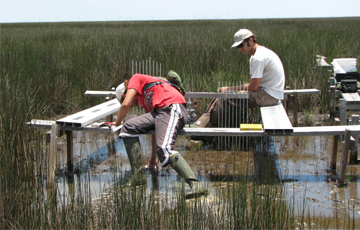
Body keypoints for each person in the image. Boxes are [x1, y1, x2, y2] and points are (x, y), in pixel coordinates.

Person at [112, 72, 209, 198]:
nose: (130, 106)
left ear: (125, 95)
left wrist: (117, 122)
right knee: (128, 127)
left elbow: (125, 104)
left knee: (164, 149)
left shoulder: (135, 79)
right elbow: (156, 129)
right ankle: (137, 177)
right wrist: (153, 158)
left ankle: (196, 185)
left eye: (126, 100)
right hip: (160, 112)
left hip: (172, 107)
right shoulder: (144, 100)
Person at [195, 28, 285, 128]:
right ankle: (203, 123)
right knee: (221, 96)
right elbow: (252, 85)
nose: (240, 49)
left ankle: (209, 127)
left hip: (269, 96)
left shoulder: (258, 58)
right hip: (269, 93)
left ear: (250, 40)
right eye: (238, 46)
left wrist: (229, 89)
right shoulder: (255, 56)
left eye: (241, 45)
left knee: (225, 98)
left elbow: (253, 87)